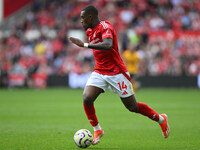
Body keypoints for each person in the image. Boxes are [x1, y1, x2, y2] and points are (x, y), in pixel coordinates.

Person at [68, 5, 170, 145]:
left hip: (117, 72)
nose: (81, 21)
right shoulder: (90, 31)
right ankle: (97, 129)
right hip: (100, 71)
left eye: (82, 18)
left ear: (90, 17)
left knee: (132, 107)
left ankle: (161, 119)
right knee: (87, 98)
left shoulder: (106, 26)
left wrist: (85, 45)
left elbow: (108, 45)